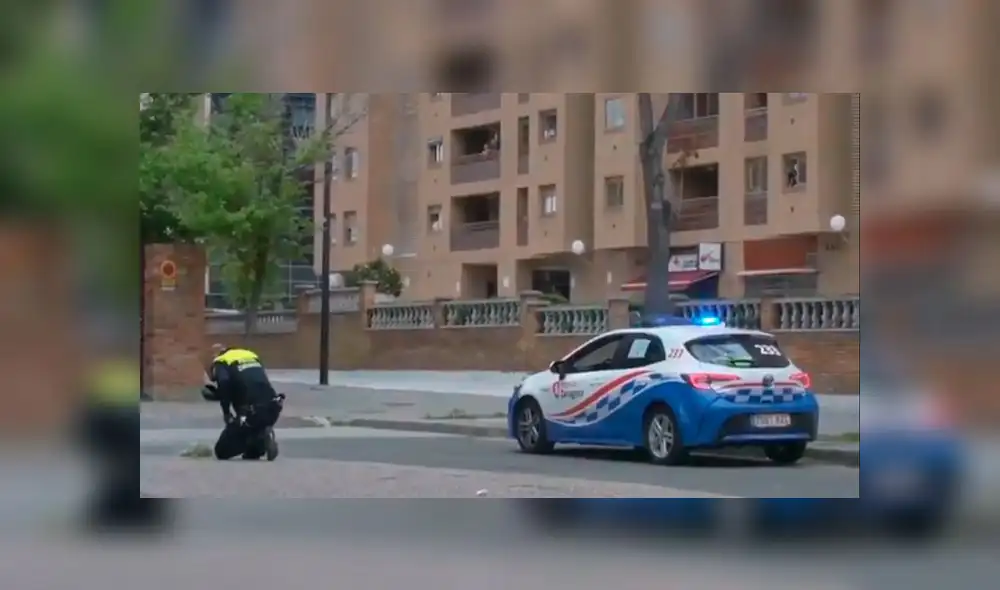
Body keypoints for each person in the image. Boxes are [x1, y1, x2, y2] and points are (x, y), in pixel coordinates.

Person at [203, 344, 284, 460]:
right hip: (272, 405)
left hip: (249, 411)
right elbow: (246, 381)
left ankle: (261, 437)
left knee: (221, 451)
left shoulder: (221, 362)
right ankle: (262, 437)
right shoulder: (250, 355)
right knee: (251, 453)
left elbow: (224, 383)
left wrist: (226, 413)